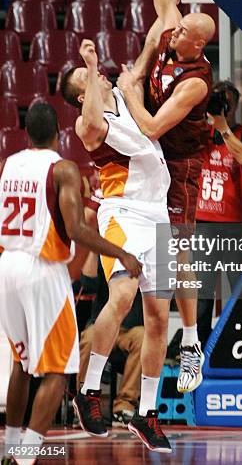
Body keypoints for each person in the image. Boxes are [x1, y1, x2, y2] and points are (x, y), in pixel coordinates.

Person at [0, 102, 140, 465]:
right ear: (60, 133)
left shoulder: (9, 165)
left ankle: (11, 447)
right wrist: (122, 254)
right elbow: (76, 230)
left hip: (8, 265)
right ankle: (26, 456)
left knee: (22, 362)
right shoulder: (61, 168)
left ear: (25, 132)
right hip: (41, 268)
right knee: (60, 370)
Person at [116, 0, 216, 394]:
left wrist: (132, 88)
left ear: (198, 45)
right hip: (150, 157)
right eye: (175, 30)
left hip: (178, 161)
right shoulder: (174, 26)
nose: (171, 33)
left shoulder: (196, 80)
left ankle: (193, 340)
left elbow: (153, 127)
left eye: (181, 34)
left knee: (179, 249)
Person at [61, 39, 173, 453]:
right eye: (88, 80)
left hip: (158, 217)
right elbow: (90, 124)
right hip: (122, 214)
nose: (100, 76)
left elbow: (144, 57)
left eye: (97, 74)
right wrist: (89, 67)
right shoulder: (89, 125)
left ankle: (146, 414)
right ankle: (88, 390)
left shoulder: (126, 96)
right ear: (83, 93)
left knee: (159, 319)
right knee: (123, 295)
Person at [195, 81, 242, 347]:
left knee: (239, 289)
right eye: (218, 100)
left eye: (227, 102)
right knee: (202, 293)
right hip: (203, 224)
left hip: (235, 225)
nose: (223, 106)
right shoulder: (199, 134)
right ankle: (198, 347)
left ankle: (240, 343)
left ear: (235, 106)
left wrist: (223, 127)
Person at [77, 261, 144, 427]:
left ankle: (124, 406)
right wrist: (93, 243)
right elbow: (88, 285)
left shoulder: (142, 250)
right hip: (102, 325)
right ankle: (84, 403)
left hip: (130, 328)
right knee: (89, 338)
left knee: (143, 338)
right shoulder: (104, 249)